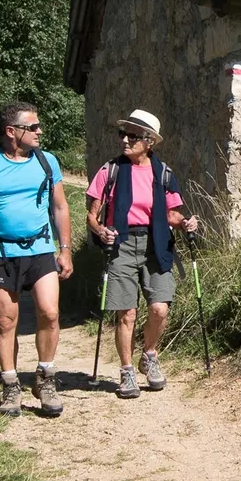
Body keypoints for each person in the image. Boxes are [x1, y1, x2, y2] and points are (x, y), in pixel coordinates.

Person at [0, 100, 74, 418]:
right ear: (12, 132)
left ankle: (45, 378)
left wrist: (65, 248)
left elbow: (60, 207)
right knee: (5, 322)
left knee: (50, 313)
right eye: (32, 127)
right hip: (0, 252)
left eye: (38, 126)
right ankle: (10, 385)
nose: (39, 131)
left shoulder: (47, 162)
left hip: (40, 249)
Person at [85, 109, 200, 398]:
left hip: (156, 243)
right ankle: (126, 372)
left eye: (132, 135)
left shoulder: (163, 172)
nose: (124, 139)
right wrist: (100, 231)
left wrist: (186, 222)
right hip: (121, 243)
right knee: (127, 312)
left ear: (149, 141)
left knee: (160, 308)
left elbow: (172, 214)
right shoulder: (109, 170)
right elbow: (92, 216)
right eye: (122, 134)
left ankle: (149, 355)